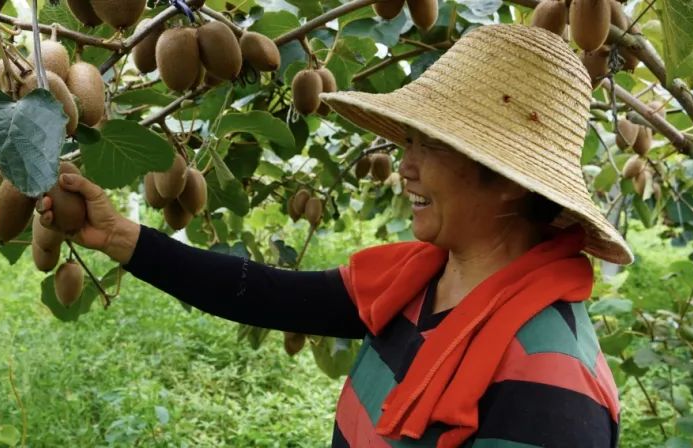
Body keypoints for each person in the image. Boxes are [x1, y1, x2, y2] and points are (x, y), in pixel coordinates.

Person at [37, 24, 632, 448]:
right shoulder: (419, 280)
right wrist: (120, 235)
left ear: (506, 180)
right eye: (408, 140)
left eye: (430, 144)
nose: (405, 165)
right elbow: (264, 293)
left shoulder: (554, 388)